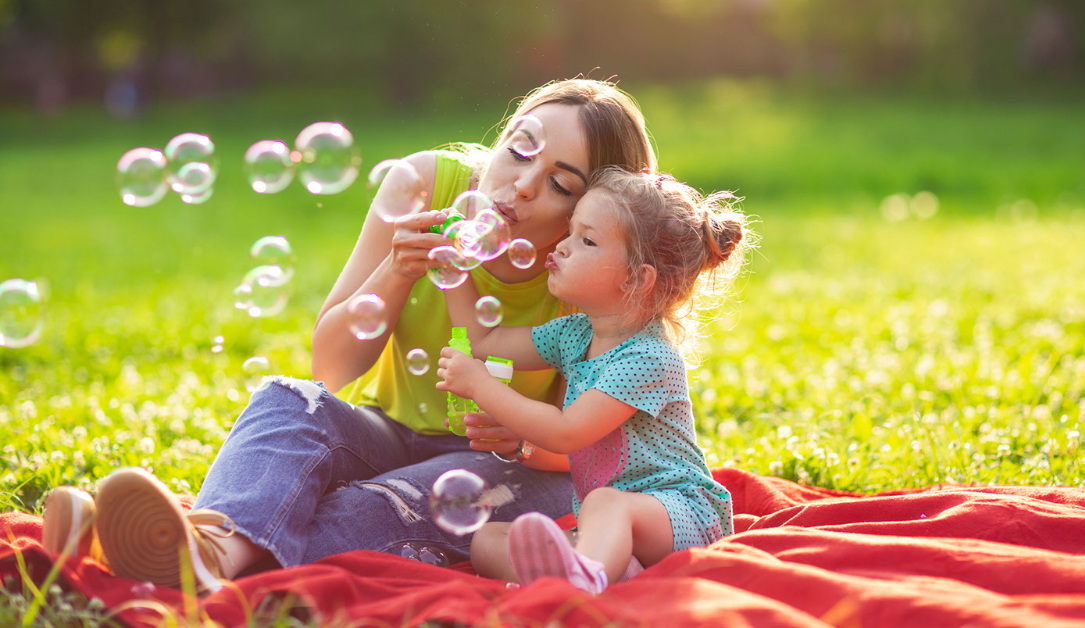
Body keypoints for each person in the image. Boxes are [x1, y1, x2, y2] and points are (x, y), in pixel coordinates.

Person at [39, 78, 657, 593]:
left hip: (512, 469)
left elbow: (600, 450)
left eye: (561, 185)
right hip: (387, 431)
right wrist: (397, 269)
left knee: (388, 503)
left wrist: (524, 437)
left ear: (595, 210)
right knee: (289, 400)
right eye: (521, 150)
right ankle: (206, 550)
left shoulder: (593, 272)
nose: (521, 184)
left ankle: (172, 548)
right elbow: (331, 368)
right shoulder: (427, 185)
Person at [435, 167, 752, 593]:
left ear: (636, 279)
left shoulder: (650, 357)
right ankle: (606, 572)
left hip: (684, 515)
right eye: (570, 231)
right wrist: (449, 263)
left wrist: (481, 387)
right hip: (607, 526)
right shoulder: (575, 333)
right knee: (487, 540)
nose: (562, 247)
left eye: (586, 240)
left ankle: (582, 583)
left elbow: (567, 433)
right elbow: (484, 338)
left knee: (605, 503)